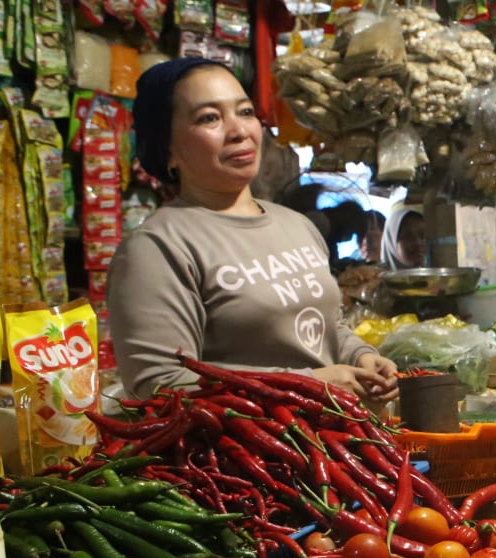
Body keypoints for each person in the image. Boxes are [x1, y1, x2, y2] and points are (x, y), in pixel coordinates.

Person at [108, 58, 399, 403]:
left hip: (333, 447)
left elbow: (327, 327)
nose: (239, 131)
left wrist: (360, 356)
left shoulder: (297, 225)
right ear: (167, 148)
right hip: (243, 453)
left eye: (245, 112)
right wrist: (310, 384)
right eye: (209, 118)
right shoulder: (157, 248)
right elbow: (159, 384)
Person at [381, 202, 426, 270]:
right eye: (408, 237)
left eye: (423, 236)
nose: (418, 243)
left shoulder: (435, 278)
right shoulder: (376, 279)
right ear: (391, 243)